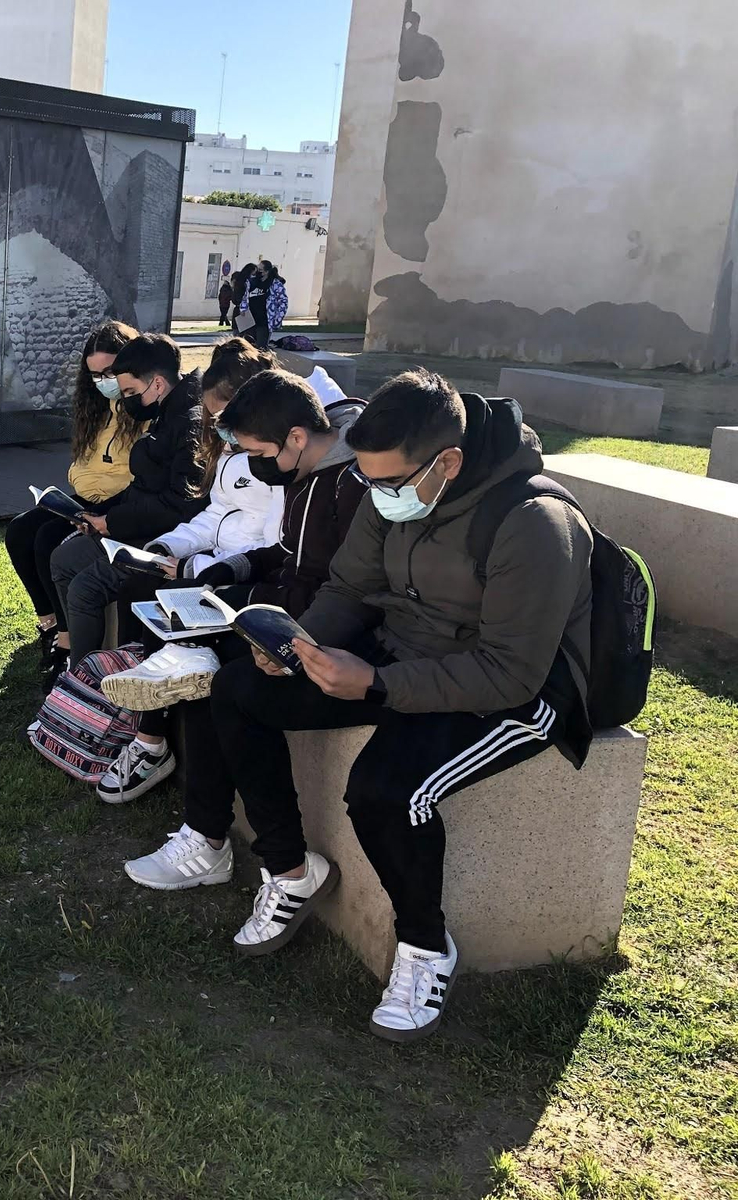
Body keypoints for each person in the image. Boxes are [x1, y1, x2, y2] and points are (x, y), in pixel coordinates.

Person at [208, 370, 592, 1043]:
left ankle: (424, 946)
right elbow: (351, 585)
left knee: (385, 791)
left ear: (448, 462)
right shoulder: (389, 493)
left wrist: (378, 686)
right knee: (240, 690)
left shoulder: (536, 522)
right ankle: (290, 871)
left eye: (389, 483)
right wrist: (300, 644)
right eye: (367, 478)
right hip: (399, 657)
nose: (375, 494)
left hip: (507, 694)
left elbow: (509, 674)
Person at [109, 366, 366, 820]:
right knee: (186, 598)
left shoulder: (347, 484)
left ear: (296, 437)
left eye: (258, 452)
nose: (253, 464)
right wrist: (227, 570)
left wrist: (235, 598)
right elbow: (283, 551)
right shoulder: (303, 470)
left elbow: (328, 588)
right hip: (291, 602)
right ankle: (178, 666)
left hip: (316, 622)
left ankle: (205, 828)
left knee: (221, 678)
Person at [52, 339, 284, 737]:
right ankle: (97, 686)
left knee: (126, 590)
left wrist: (189, 562)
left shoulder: (266, 460)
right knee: (67, 556)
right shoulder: (225, 445)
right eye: (216, 421)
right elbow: (213, 514)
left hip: (226, 573)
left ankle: (137, 726)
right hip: (183, 550)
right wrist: (167, 547)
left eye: (224, 420)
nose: (219, 430)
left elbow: (265, 544)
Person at [46, 332, 207, 676]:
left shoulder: (189, 422)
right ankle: (79, 660)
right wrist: (101, 515)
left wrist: (113, 521)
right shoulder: (167, 410)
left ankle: (84, 680)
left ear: (158, 384)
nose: (127, 401)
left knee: (85, 587)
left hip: (163, 540)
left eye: (131, 392)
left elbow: (179, 507)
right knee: (63, 558)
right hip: (136, 525)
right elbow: (143, 487)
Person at [5, 320, 141, 683]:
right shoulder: (94, 405)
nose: (103, 382)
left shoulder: (140, 407)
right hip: (85, 497)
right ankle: (48, 622)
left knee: (49, 541)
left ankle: (66, 643)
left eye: (110, 372)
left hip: (117, 503)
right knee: (21, 530)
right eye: (95, 375)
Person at [263, 261, 289, 337]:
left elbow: (283, 302)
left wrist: (277, 319)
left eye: (260, 270)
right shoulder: (257, 283)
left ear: (267, 272)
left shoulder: (276, 285)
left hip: (268, 318)